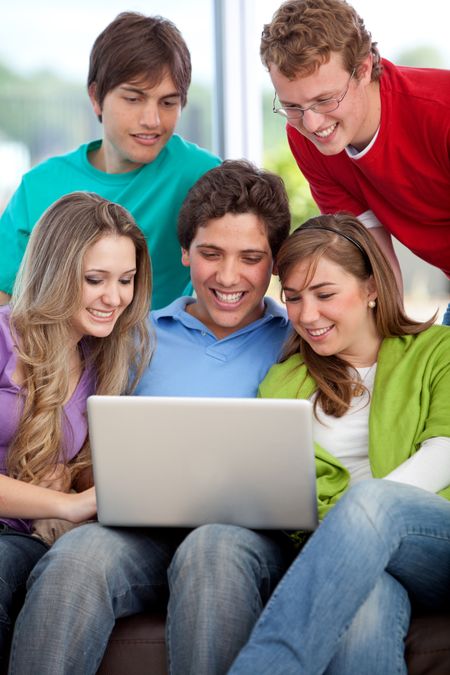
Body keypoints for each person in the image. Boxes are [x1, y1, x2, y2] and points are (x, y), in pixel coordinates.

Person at [10, 161, 296, 675]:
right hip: (136, 533)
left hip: (241, 539)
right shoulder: (129, 337)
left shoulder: (297, 342)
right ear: (184, 253)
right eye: (210, 254)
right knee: (76, 562)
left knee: (212, 550)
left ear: (274, 264)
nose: (228, 277)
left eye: (251, 258)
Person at [228, 213, 450, 675]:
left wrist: (356, 521)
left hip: (432, 543)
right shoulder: (282, 382)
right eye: (293, 298)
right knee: (364, 606)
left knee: (372, 503)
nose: (308, 315)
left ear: (371, 288)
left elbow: (444, 454)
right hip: (341, 561)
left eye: (325, 294)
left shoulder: (438, 350)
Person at [0, 191, 152, 666]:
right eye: (94, 280)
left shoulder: (103, 359)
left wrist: (80, 480)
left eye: (125, 280)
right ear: (56, 273)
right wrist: (65, 501)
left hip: (23, 540)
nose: (114, 298)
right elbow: (66, 499)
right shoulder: (5, 338)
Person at [0, 11, 220, 310]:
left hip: (159, 351)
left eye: (168, 103)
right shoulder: (39, 187)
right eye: (133, 99)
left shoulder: (201, 176)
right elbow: (5, 303)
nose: (152, 120)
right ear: (95, 97)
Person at [260, 0, 450, 322]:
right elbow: (375, 263)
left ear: (363, 69)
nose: (312, 124)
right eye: (293, 106)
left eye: (325, 100)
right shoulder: (307, 141)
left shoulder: (439, 112)